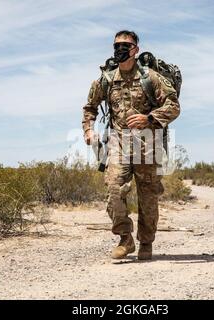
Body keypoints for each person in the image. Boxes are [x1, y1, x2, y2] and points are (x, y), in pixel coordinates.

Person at [82, 30, 180, 260]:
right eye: (117, 45)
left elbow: (173, 106)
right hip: (118, 144)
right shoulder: (106, 80)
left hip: (149, 145)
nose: (120, 49)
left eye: (126, 45)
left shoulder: (150, 78)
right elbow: (89, 108)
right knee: (114, 190)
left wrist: (150, 118)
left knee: (148, 197)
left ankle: (146, 242)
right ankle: (125, 239)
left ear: (136, 49)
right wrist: (88, 129)